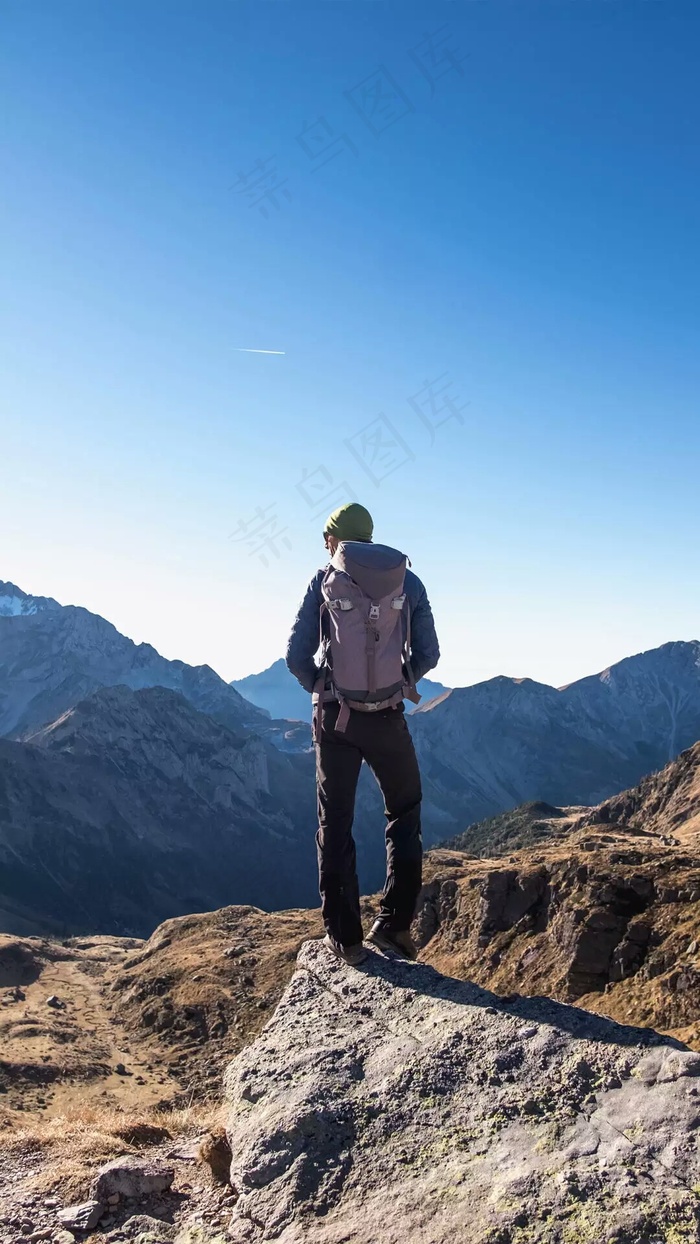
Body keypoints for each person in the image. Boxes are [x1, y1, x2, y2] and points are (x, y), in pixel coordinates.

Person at [285, 502, 440, 966]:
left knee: (335, 824)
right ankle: (393, 925)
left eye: (326, 537)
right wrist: (399, 683)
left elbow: (296, 656)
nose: (325, 545)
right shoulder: (408, 581)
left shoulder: (322, 580)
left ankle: (345, 938)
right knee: (405, 811)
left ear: (335, 538)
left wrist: (322, 688)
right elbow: (429, 652)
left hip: (336, 717)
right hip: (388, 717)